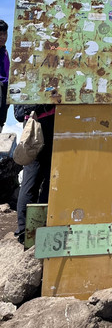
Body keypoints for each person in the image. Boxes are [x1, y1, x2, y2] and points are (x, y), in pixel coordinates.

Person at [14, 103, 55, 244]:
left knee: (29, 180)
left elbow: (18, 115)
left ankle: (24, 230)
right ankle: (42, 226)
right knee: (51, 177)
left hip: (30, 126)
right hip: (50, 123)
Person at [0, 20, 10, 133]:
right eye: (0, 34)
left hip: (4, 92)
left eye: (5, 34)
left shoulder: (5, 52)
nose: (3, 37)